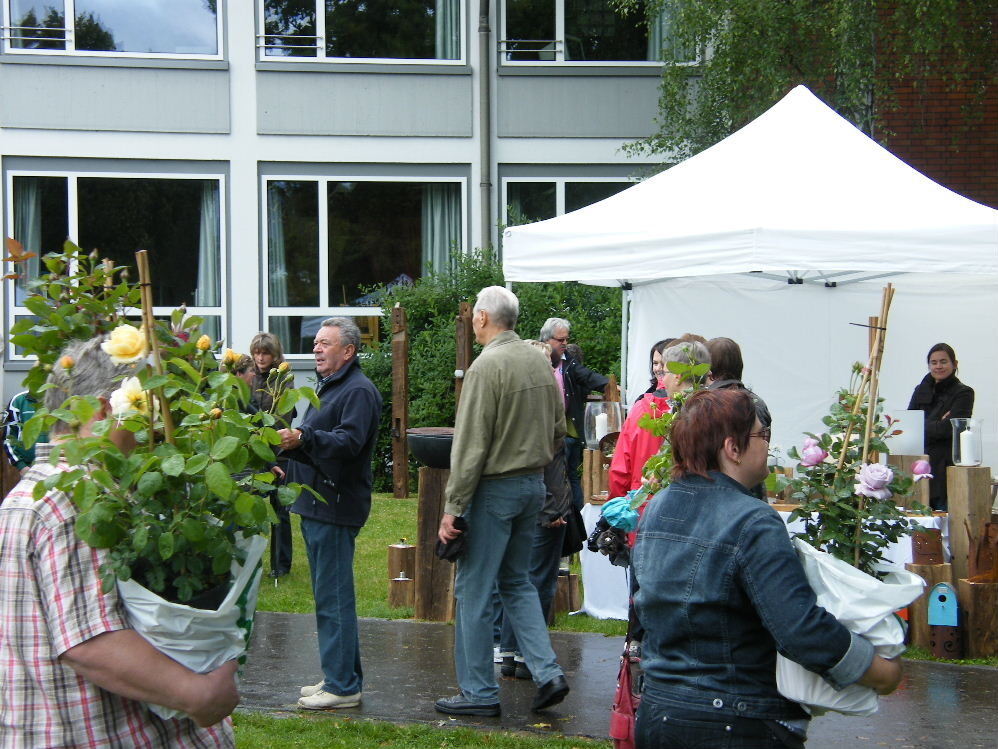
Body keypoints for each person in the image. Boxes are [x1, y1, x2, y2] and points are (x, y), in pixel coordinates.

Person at [0, 336, 239, 747]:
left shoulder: (34, 495)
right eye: (144, 406)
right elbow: (90, 642)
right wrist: (199, 694)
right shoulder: (76, 498)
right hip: (103, 733)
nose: (152, 428)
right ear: (109, 408)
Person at [632, 388, 902, 748]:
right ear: (732, 447)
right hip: (737, 721)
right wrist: (877, 670)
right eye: (762, 436)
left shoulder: (657, 508)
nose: (768, 447)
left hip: (660, 714)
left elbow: (644, 608)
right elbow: (800, 628)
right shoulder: (753, 520)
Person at [436, 287, 570, 717]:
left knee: (474, 591)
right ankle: (548, 672)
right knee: (517, 583)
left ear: (481, 318)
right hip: (532, 486)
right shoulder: (539, 359)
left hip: (494, 490)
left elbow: (471, 445)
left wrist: (453, 507)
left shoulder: (485, 366)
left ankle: (478, 693)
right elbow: (557, 429)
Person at [278, 318, 382, 710]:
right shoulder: (333, 386)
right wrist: (289, 458)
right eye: (316, 343)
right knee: (328, 595)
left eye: (325, 344)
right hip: (318, 501)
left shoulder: (357, 391)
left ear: (348, 351)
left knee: (333, 597)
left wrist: (304, 437)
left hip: (335, 504)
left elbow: (348, 443)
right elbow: (318, 443)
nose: (316, 349)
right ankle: (341, 676)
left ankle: (341, 686)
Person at [497, 340, 572, 681]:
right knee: (536, 582)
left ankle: (512, 650)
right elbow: (544, 466)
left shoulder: (516, 402)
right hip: (542, 507)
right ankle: (527, 654)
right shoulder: (541, 406)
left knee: (520, 579)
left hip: (529, 505)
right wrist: (552, 507)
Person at [609, 338, 710, 501]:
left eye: (665, 371)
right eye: (655, 364)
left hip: (665, 505)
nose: (662, 376)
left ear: (677, 375)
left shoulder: (690, 415)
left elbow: (620, 468)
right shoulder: (708, 409)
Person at [540, 317, 609, 509]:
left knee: (570, 476)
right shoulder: (535, 360)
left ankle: (574, 520)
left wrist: (609, 386)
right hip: (543, 434)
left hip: (568, 433)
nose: (565, 344)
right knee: (550, 477)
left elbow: (586, 375)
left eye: (566, 339)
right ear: (547, 340)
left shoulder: (568, 362)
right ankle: (555, 514)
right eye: (560, 340)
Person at [249, 332, 295, 577]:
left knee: (280, 511)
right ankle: (249, 562)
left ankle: (281, 565)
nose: (260, 357)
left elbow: (282, 418)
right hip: (253, 452)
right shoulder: (250, 376)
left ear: (275, 354)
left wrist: (272, 454)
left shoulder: (283, 379)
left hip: (279, 451)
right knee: (251, 509)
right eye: (256, 352)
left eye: (265, 352)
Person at [907, 343, 975, 511]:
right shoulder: (920, 390)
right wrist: (938, 421)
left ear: (954, 364)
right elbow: (909, 425)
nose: (938, 366)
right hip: (918, 464)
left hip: (945, 467)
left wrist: (926, 423)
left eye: (943, 361)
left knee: (943, 519)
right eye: (934, 362)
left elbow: (949, 429)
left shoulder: (963, 393)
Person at [3, 389, 47, 476]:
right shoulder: (18, 401)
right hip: (28, 467)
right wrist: (21, 466)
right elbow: (8, 437)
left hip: (56, 466)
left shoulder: (58, 398)